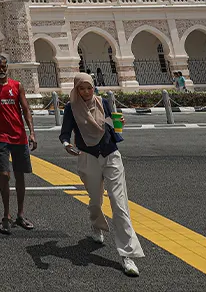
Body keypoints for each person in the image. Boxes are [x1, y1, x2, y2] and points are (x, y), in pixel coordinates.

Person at [60, 72, 144, 277]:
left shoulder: (103, 102)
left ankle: (127, 255)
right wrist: (66, 144)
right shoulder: (72, 108)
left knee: (119, 204)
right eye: (82, 88)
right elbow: (65, 132)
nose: (86, 92)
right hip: (88, 156)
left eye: (89, 87)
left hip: (110, 154)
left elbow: (108, 122)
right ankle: (97, 226)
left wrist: (118, 123)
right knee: (96, 201)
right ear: (76, 89)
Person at [0, 54, 37, 234]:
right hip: (0, 137)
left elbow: (26, 109)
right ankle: (6, 215)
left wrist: (32, 133)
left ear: (7, 67)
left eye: (4, 66)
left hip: (19, 136)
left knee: (20, 176)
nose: (1, 69)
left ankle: (20, 214)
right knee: (4, 175)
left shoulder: (17, 86)